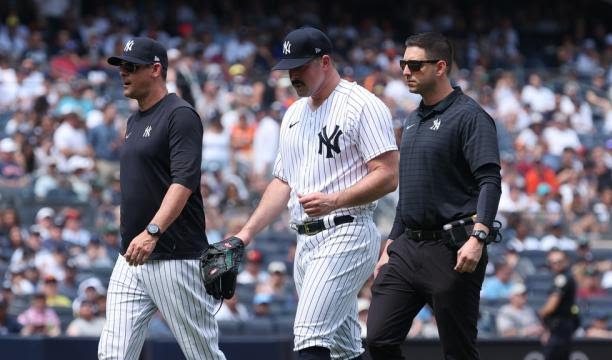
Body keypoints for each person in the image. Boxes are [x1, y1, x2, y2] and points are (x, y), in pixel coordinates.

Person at [233, 26, 399, 360]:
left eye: (300, 66)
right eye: (288, 68)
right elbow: (282, 182)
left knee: (309, 336)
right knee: (343, 348)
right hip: (306, 242)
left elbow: (388, 175)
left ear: (325, 62)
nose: (293, 75)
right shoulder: (294, 113)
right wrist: (245, 234)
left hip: (347, 231)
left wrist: (335, 200)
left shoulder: (362, 105)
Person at [366, 32, 502, 360]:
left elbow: (490, 180)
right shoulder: (413, 120)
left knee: (458, 351)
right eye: (403, 64)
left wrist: (479, 236)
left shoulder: (470, 116)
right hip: (408, 248)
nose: (405, 71)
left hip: (453, 248)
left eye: (414, 64)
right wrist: (391, 243)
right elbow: (410, 190)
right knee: (378, 340)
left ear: (440, 67)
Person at [98, 37, 226, 359]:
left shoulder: (179, 115)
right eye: (120, 67)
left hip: (173, 254)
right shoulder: (133, 120)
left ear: (156, 69)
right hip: (130, 256)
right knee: (112, 354)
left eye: (131, 67)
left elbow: (183, 183)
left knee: (203, 355)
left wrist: (153, 231)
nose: (122, 73)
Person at [538, 248, 579, 360]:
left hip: (559, 328)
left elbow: (551, 306)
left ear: (566, 261)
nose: (556, 265)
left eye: (559, 261)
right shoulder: (563, 277)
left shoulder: (562, 278)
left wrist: (541, 313)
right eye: (553, 262)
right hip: (562, 327)